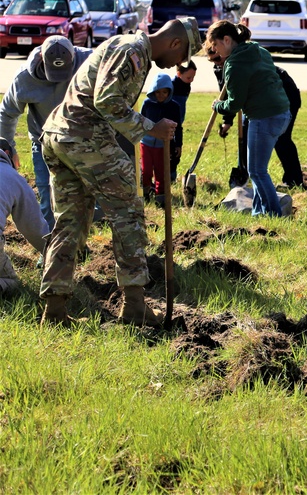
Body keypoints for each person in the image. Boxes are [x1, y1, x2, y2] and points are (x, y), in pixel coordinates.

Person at [39, 17, 200, 326]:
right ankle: (134, 306)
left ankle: (55, 310)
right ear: (175, 43)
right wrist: (151, 127)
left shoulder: (124, 44)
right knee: (128, 212)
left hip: (60, 136)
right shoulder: (133, 51)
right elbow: (107, 100)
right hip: (85, 138)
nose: (177, 65)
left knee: (70, 221)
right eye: (182, 57)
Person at [0, 35, 92, 230]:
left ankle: (77, 243)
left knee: (85, 194)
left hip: (82, 139)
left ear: (74, 55)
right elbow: (7, 114)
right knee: (46, 192)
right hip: (44, 142)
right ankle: (49, 246)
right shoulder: (24, 78)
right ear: (42, 57)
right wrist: (8, 149)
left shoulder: (89, 60)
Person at [205, 21, 291, 217]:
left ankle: (273, 215)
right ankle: (258, 212)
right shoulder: (258, 50)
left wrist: (218, 106)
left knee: (257, 171)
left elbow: (234, 104)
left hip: (264, 117)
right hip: (282, 113)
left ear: (227, 40)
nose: (215, 50)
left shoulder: (234, 64)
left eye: (215, 45)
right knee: (258, 169)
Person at [0, 137, 47, 296]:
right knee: (11, 282)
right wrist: (53, 252)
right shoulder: (13, 177)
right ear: (7, 153)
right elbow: (34, 229)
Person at [139, 73, 183, 202]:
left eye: (164, 92)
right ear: (153, 91)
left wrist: (178, 144)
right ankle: (145, 193)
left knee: (161, 172)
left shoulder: (174, 107)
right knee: (146, 171)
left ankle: (161, 198)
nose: (161, 95)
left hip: (163, 145)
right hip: (146, 144)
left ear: (169, 91)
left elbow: (178, 127)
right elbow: (139, 121)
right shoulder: (147, 104)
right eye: (157, 92)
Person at [273, 66, 303, 188]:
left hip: (287, 96)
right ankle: (245, 174)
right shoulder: (220, 67)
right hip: (265, 99)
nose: (218, 64)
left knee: (282, 138)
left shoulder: (240, 61)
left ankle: (294, 180)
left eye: (219, 59)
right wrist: (227, 120)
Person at [170, 62, 197, 182]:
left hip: (178, 121)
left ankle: (172, 176)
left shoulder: (187, 85)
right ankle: (168, 176)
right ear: (179, 73)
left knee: (176, 152)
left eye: (193, 77)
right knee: (170, 151)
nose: (191, 80)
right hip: (170, 122)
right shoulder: (171, 86)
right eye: (189, 77)